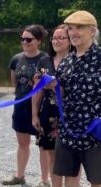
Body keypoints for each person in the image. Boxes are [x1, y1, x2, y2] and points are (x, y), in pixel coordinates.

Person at [53, 11, 101, 187]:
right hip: (68, 130)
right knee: (69, 178)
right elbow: (63, 94)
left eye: (79, 27)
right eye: (70, 28)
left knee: (96, 180)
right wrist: (52, 86)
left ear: (93, 31)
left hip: (94, 129)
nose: (73, 32)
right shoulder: (66, 61)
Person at [2, 24, 48, 186]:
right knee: (23, 144)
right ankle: (19, 176)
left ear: (39, 41)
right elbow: (15, 82)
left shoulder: (46, 59)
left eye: (29, 39)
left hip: (41, 108)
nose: (25, 42)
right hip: (21, 107)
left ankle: (44, 180)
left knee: (43, 146)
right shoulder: (16, 59)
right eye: (22, 39)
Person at [32, 24, 73, 187]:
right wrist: (34, 114)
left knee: (71, 155)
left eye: (61, 37)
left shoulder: (77, 60)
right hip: (48, 113)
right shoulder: (44, 60)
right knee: (51, 154)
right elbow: (36, 91)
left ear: (70, 41)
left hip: (72, 113)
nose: (56, 41)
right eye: (54, 37)